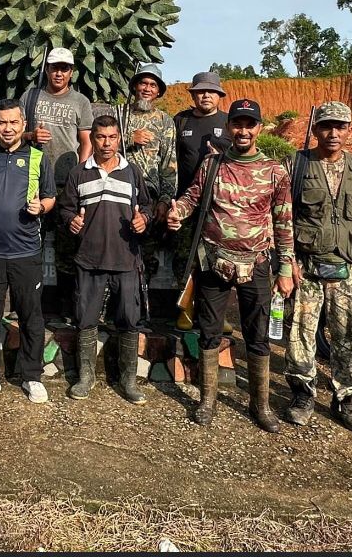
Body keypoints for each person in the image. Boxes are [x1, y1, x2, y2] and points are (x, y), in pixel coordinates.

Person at [167, 99, 293, 432]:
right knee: (208, 332)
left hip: (257, 263)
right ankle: (207, 400)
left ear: (259, 129)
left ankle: (260, 404)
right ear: (230, 127)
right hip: (215, 262)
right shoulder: (213, 164)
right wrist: (177, 212)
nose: (243, 130)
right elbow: (193, 196)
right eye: (237, 124)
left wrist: (285, 268)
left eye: (249, 124)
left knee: (258, 335)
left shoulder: (274, 171)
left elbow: (283, 222)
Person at [283, 101, 352, 432]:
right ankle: (302, 396)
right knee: (300, 334)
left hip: (348, 267)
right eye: (327, 126)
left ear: (348, 131)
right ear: (315, 130)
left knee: (347, 337)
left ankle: (347, 401)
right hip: (307, 266)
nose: (333, 133)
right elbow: (283, 216)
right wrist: (287, 261)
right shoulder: (297, 164)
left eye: (340, 127)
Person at [58, 115, 153, 404]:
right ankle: (85, 377)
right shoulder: (79, 173)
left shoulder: (132, 172)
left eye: (112, 137)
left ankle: (128, 380)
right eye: (100, 137)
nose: (106, 143)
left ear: (119, 139)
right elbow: (64, 209)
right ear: (93, 139)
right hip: (89, 259)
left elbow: (147, 206)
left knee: (129, 318)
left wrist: (144, 220)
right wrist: (71, 221)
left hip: (126, 260)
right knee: (86, 318)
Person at [0, 99, 55, 405]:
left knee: (31, 316)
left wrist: (41, 207)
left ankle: (32, 375)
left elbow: (50, 197)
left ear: (23, 125)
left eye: (13, 122)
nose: (8, 128)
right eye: (2, 122)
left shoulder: (37, 157)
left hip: (27, 250)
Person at [20, 47, 93, 315]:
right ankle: (28, 304)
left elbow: (86, 141)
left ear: (71, 72)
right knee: (29, 244)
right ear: (47, 70)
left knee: (66, 245)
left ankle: (65, 306)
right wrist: (30, 136)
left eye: (64, 68)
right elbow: (15, 132)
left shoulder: (81, 102)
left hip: (66, 183)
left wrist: (81, 173)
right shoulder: (31, 96)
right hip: (33, 180)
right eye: (54, 67)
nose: (59, 72)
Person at [171, 71, 232, 299]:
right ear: (194, 95)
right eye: (200, 91)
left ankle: (212, 311)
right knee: (183, 258)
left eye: (211, 92)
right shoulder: (181, 120)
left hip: (219, 205)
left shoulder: (228, 123)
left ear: (219, 95)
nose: (206, 95)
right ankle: (182, 307)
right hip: (185, 202)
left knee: (216, 259)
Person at [119, 64, 177, 280]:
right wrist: (128, 139)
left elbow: (169, 164)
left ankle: (142, 307)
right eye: (143, 83)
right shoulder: (119, 113)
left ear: (159, 91)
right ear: (134, 86)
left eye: (153, 85)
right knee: (117, 247)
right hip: (118, 191)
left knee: (146, 254)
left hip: (149, 197)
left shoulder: (165, 121)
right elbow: (100, 145)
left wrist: (164, 199)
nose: (147, 88)